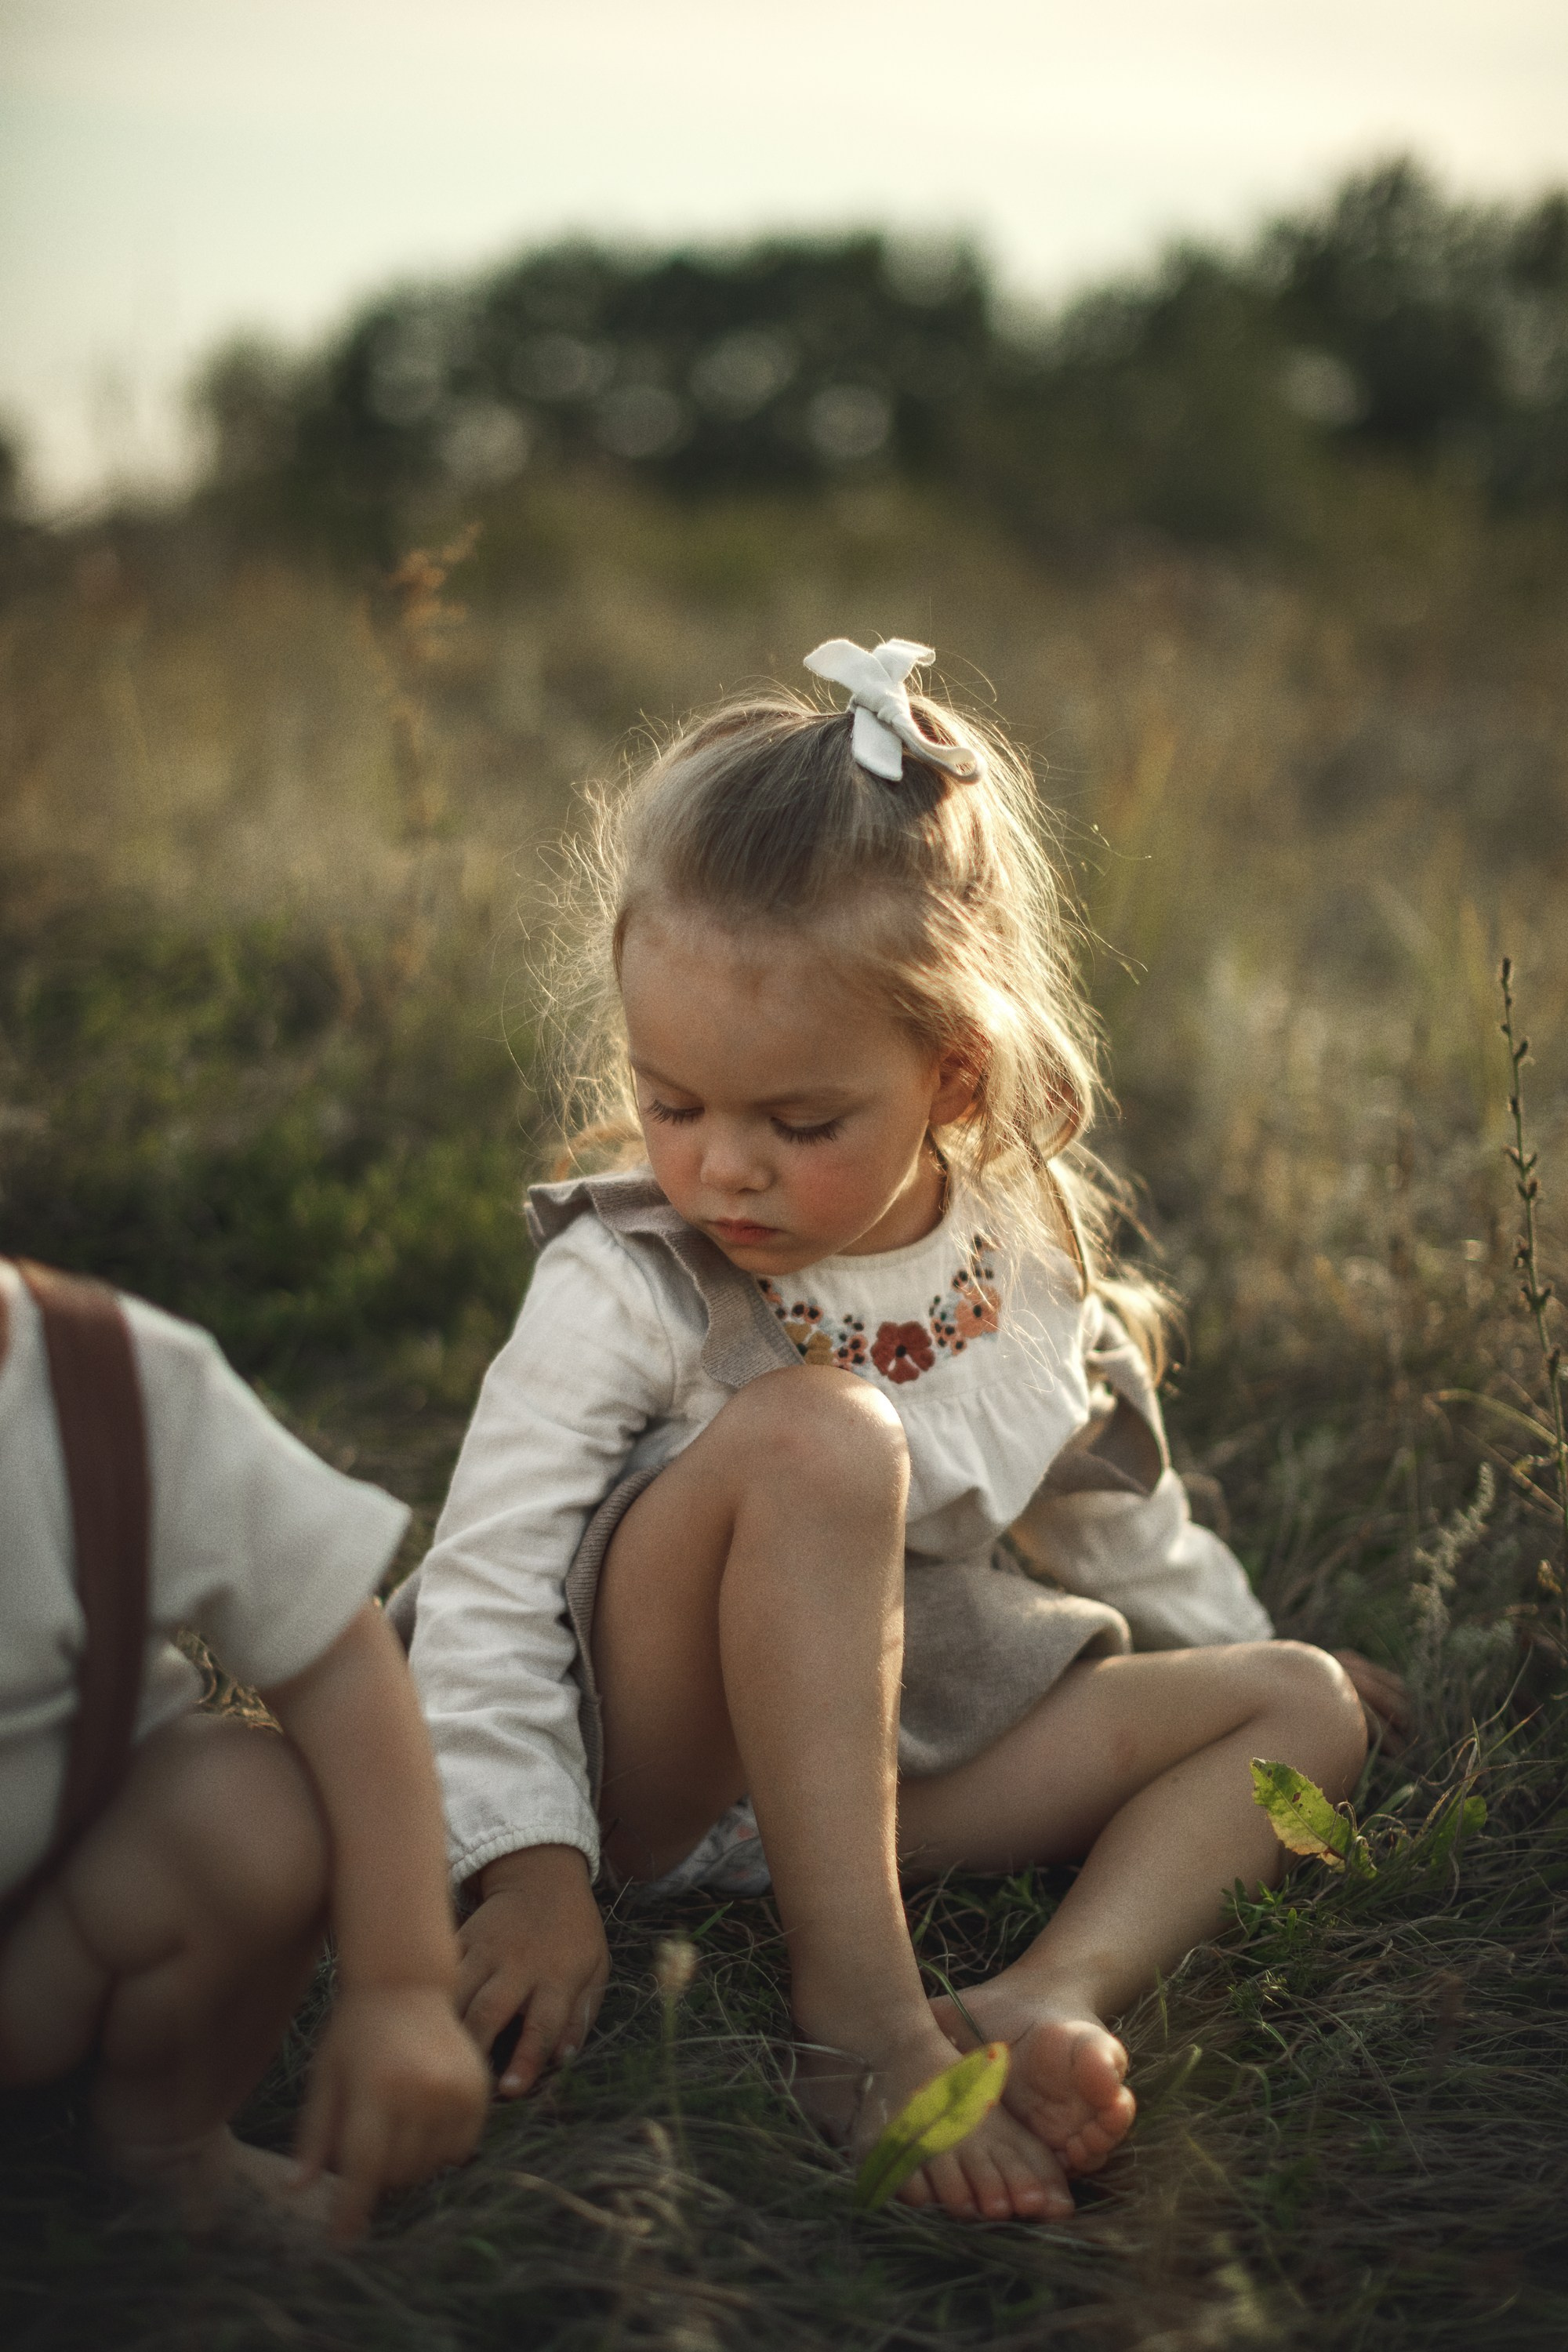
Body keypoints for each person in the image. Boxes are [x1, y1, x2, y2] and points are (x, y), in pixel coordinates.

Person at [399, 637, 1407, 2225]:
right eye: (672, 1104)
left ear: (951, 1075)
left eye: (798, 1125)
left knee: (1305, 1708)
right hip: (652, 1781)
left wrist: (1233, 1647)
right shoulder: (625, 1282)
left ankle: (1042, 1997)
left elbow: (1109, 1526)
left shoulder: (1014, 1256)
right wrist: (527, 1860)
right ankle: (862, 2025)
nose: (719, 1169)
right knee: (823, 1440)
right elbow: (482, 1580)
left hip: (889, 1770)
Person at [0, 1260, 489, 2239]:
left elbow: (340, 1664)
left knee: (247, 1815)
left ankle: (163, 2147)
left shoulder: (101, 1387)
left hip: (35, 1962)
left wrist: (402, 1982)